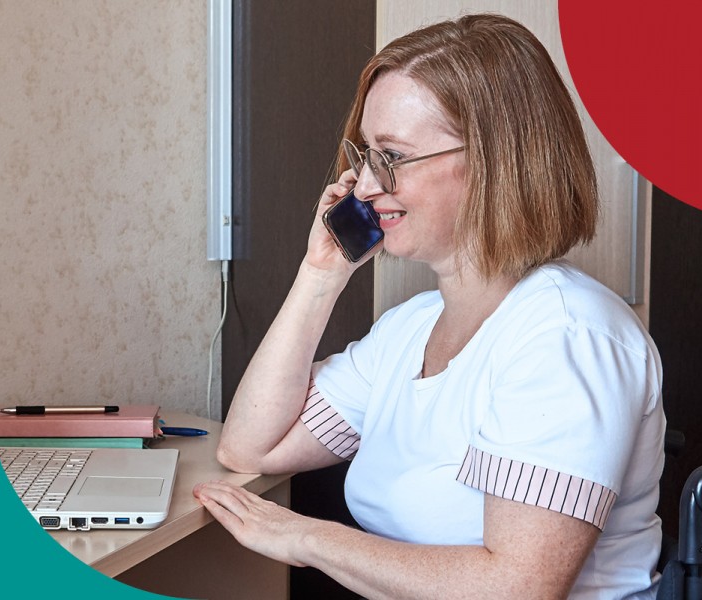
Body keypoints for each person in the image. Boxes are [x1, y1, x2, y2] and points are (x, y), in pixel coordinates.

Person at [194, 13, 666, 600]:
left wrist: (306, 540)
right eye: (364, 153)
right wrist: (321, 274)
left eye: (391, 156)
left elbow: (517, 588)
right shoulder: (410, 330)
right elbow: (250, 445)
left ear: (494, 163)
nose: (363, 184)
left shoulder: (568, 336)